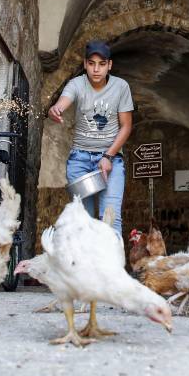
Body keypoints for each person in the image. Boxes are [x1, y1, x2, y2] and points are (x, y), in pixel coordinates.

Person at [48, 40, 133, 233]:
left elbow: (126, 126)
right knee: (82, 221)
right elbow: (63, 101)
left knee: (110, 219)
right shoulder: (76, 84)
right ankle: (86, 263)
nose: (96, 69)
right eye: (92, 63)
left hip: (111, 161)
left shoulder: (121, 87)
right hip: (80, 160)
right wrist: (56, 109)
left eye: (102, 64)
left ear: (109, 65)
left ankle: (111, 264)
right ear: (85, 64)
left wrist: (108, 156)